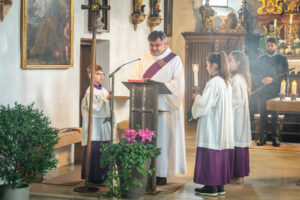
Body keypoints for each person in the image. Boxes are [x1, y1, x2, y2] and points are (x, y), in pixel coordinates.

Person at [131, 31, 186, 185]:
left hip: (165, 108)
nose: (154, 49)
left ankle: (161, 174)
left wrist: (158, 86)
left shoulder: (174, 60)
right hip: (146, 109)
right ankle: (145, 171)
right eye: (151, 45)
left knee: (162, 141)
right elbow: (135, 78)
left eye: (157, 45)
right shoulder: (144, 58)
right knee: (146, 141)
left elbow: (178, 84)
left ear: (164, 44)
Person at [192, 52, 234, 197]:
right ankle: (219, 185)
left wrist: (196, 97)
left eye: (207, 64)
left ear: (214, 65)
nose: (206, 67)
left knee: (210, 154)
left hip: (212, 125)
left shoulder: (213, 82)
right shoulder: (225, 82)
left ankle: (210, 186)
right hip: (221, 126)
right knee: (219, 154)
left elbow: (204, 104)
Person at [253, 37, 289, 147]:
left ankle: (275, 138)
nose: (270, 47)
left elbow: (285, 75)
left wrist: (273, 79)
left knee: (275, 117)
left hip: (275, 92)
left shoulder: (282, 59)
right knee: (262, 115)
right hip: (262, 91)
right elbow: (254, 74)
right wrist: (261, 80)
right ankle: (262, 139)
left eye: (272, 45)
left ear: (276, 46)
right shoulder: (260, 59)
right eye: (268, 45)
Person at [81, 64, 111, 185]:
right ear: (90, 75)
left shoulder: (103, 90)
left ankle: (104, 177)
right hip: (95, 127)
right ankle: (95, 178)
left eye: (102, 74)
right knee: (96, 151)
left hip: (103, 124)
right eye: (97, 74)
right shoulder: (90, 91)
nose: (101, 76)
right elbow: (93, 109)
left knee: (104, 150)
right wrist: (105, 99)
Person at [227, 51, 252, 184]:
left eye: (230, 60)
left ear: (238, 63)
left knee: (236, 142)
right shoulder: (240, 77)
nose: (228, 63)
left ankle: (237, 174)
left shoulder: (237, 79)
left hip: (236, 116)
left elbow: (235, 100)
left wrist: (223, 107)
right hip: (239, 116)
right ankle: (237, 174)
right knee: (237, 142)